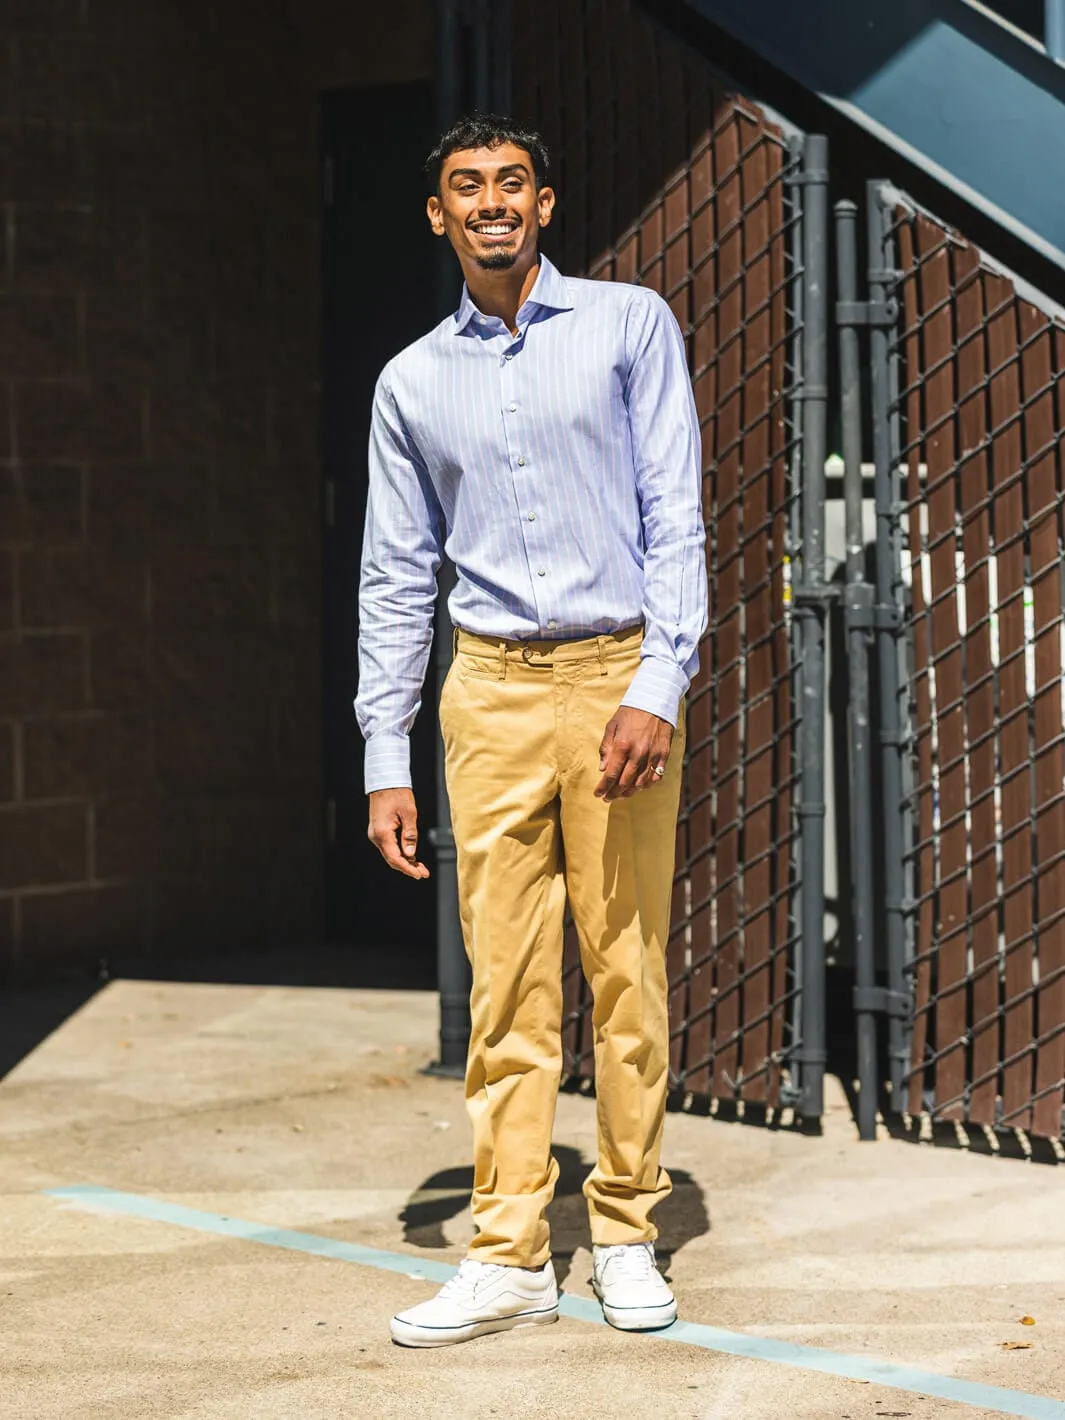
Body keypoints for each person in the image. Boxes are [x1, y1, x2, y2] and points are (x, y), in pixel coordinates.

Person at [355, 113, 708, 1349]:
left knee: (624, 969)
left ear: (545, 206)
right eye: (468, 186)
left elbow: (677, 511)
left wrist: (659, 681)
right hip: (488, 692)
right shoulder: (410, 381)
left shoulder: (627, 324)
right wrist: (383, 756)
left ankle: (623, 1230)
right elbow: (395, 577)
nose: (494, 202)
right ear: (438, 216)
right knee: (505, 983)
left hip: (615, 676)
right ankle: (506, 1251)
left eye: (513, 182)